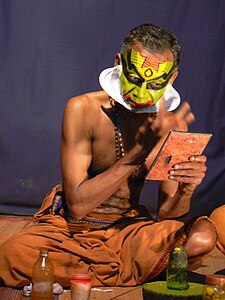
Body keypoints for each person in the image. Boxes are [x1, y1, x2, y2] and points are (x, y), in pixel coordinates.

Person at [0, 23, 217, 288]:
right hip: (71, 231)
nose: (141, 93)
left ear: (171, 79)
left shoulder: (173, 125)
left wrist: (186, 190)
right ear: (118, 63)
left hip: (129, 230)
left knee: (202, 238)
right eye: (135, 78)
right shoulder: (83, 109)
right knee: (13, 254)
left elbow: (168, 218)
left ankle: (86, 273)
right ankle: (128, 271)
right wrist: (138, 153)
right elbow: (78, 206)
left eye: (155, 83)